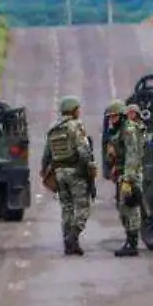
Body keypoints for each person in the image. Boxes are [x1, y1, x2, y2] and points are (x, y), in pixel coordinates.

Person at [40, 95, 96, 255]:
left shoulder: (53, 129)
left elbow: (46, 155)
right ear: (73, 110)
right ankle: (73, 237)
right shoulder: (75, 126)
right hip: (76, 172)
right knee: (83, 207)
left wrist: (45, 171)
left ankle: (70, 245)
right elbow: (83, 151)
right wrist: (90, 168)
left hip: (59, 173)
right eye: (78, 109)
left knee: (67, 208)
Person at [108, 103, 148, 256]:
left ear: (122, 116)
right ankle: (129, 240)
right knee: (124, 209)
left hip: (131, 175)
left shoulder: (129, 130)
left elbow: (132, 155)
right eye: (110, 117)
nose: (112, 120)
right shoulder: (121, 130)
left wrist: (128, 179)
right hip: (123, 174)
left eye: (114, 116)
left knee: (131, 208)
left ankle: (132, 243)